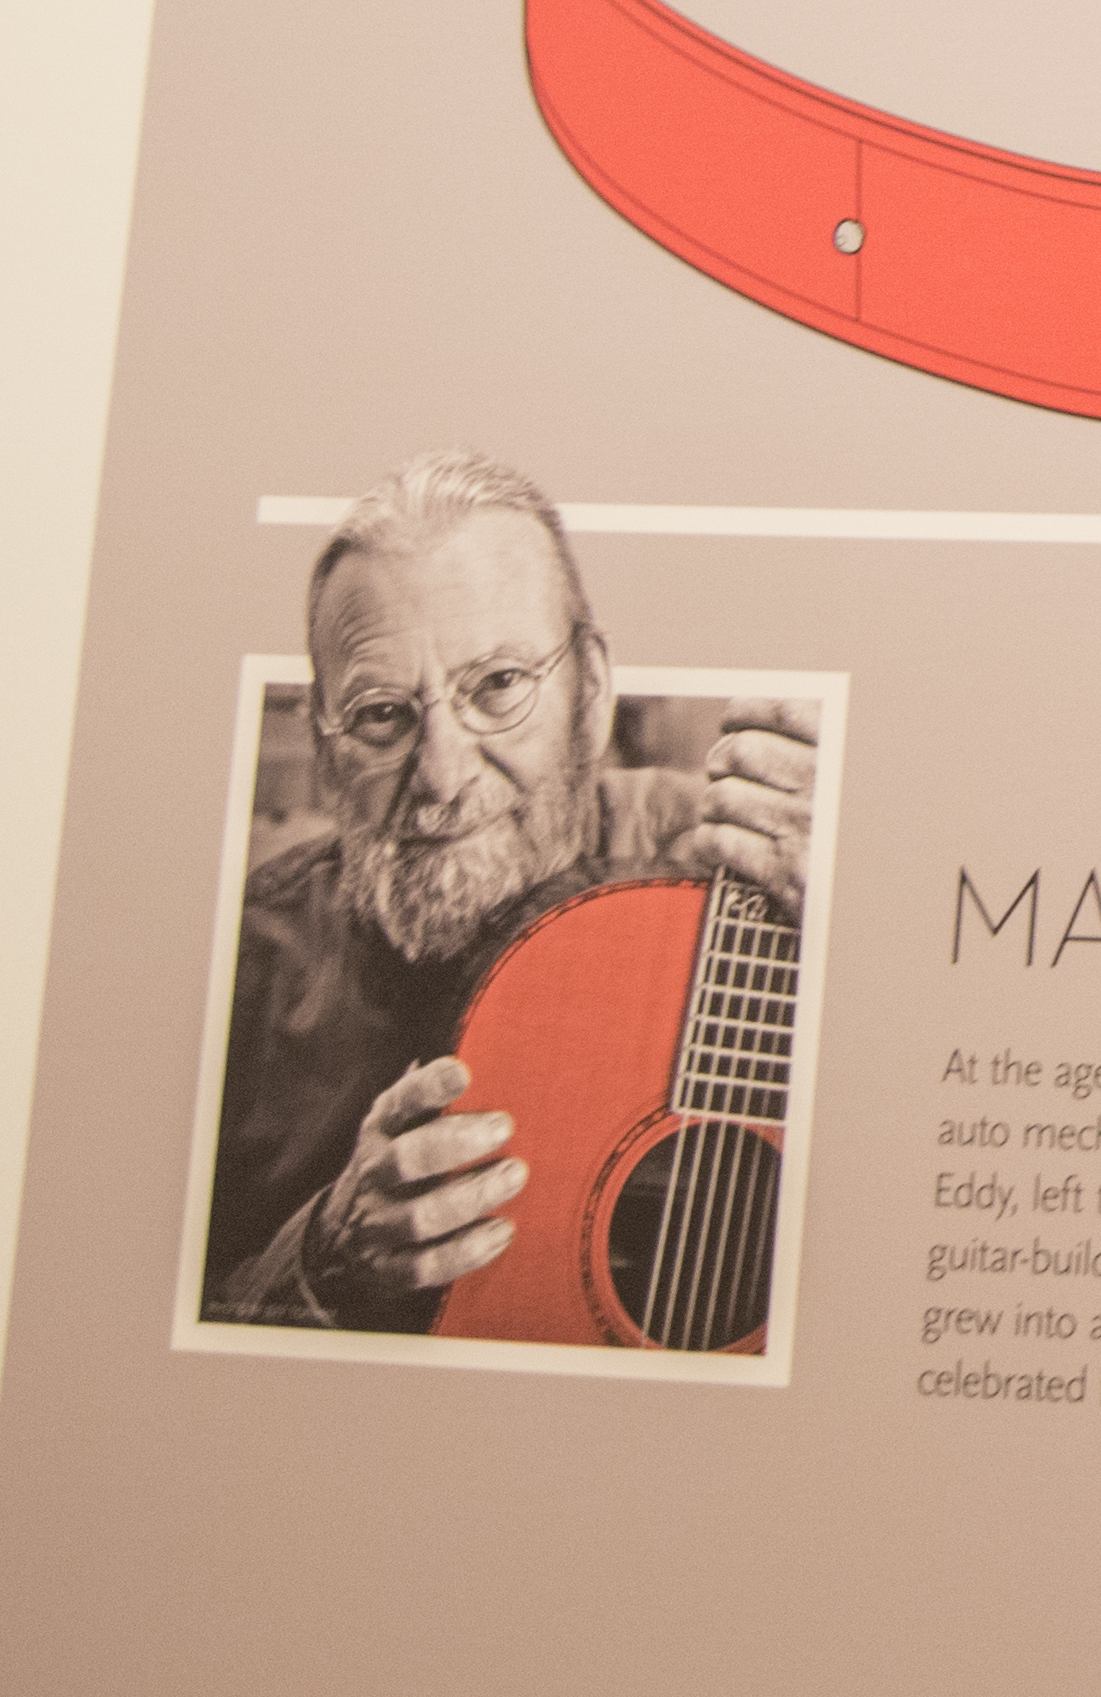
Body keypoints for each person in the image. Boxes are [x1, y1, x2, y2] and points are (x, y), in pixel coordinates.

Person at [198, 449, 822, 1331]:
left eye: (497, 687)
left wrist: (876, 920)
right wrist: (317, 1260)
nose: (443, 775)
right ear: (325, 739)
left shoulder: (753, 878)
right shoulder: (237, 964)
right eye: (383, 715)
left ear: (593, 690)